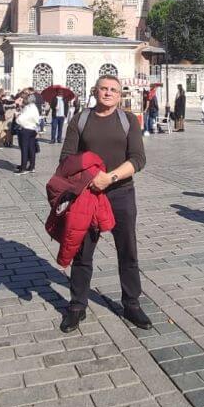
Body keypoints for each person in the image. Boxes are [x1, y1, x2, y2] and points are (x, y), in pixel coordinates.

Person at [58, 75, 151, 333]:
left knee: (128, 250)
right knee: (82, 251)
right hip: (88, 195)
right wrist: (90, 179)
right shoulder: (80, 120)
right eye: (103, 89)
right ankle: (77, 305)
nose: (108, 93)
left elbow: (138, 159)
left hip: (121, 193)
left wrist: (109, 178)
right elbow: (66, 158)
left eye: (113, 90)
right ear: (94, 91)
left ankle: (131, 303)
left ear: (120, 95)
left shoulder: (128, 120)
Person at [15, 95, 40, 172]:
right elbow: (37, 119)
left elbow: (20, 119)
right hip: (33, 129)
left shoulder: (28, 108)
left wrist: (17, 117)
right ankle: (32, 167)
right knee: (31, 149)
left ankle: (23, 168)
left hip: (25, 129)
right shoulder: (35, 107)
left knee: (24, 149)